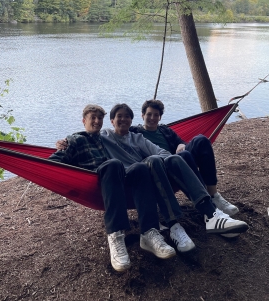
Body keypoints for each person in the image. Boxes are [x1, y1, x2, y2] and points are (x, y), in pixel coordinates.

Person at [100, 104, 248, 248]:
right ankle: (174, 225)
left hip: (150, 172)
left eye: (127, 117)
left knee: (173, 158)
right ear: (112, 120)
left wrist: (171, 156)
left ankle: (212, 214)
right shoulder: (104, 135)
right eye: (119, 116)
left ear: (131, 120)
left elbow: (164, 152)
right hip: (128, 180)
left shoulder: (138, 137)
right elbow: (85, 137)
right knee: (154, 160)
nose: (123, 120)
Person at [50, 104, 176, 272]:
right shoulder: (76, 140)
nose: (96, 121)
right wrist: (62, 146)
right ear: (83, 121)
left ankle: (149, 232)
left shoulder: (105, 136)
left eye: (99, 118)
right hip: (95, 182)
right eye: (92, 118)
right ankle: (116, 235)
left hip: (119, 180)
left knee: (140, 167)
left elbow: (128, 129)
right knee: (113, 163)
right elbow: (52, 163)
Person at [130, 99, 239, 216]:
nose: (152, 118)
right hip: (161, 169)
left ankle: (213, 196)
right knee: (184, 155)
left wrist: (181, 144)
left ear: (160, 117)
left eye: (156, 115)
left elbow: (181, 143)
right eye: (149, 114)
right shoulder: (134, 133)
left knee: (201, 140)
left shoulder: (165, 130)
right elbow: (117, 134)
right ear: (142, 115)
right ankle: (206, 201)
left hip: (179, 162)